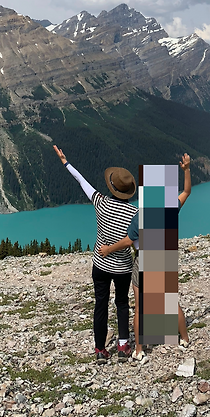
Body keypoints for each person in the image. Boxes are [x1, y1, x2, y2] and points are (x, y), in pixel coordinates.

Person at [97, 153, 193, 359]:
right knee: (171, 302)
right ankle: (184, 338)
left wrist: (108, 250)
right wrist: (186, 170)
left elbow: (128, 241)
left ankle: (139, 350)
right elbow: (187, 191)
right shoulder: (170, 208)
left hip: (144, 261)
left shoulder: (141, 215)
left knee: (140, 308)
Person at [53, 144, 138, 361]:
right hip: (122, 268)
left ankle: (100, 349)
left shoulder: (101, 202)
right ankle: (122, 346)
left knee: (100, 304)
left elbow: (82, 181)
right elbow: (136, 241)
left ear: (113, 188)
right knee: (121, 303)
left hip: (100, 265)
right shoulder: (136, 213)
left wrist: (65, 162)